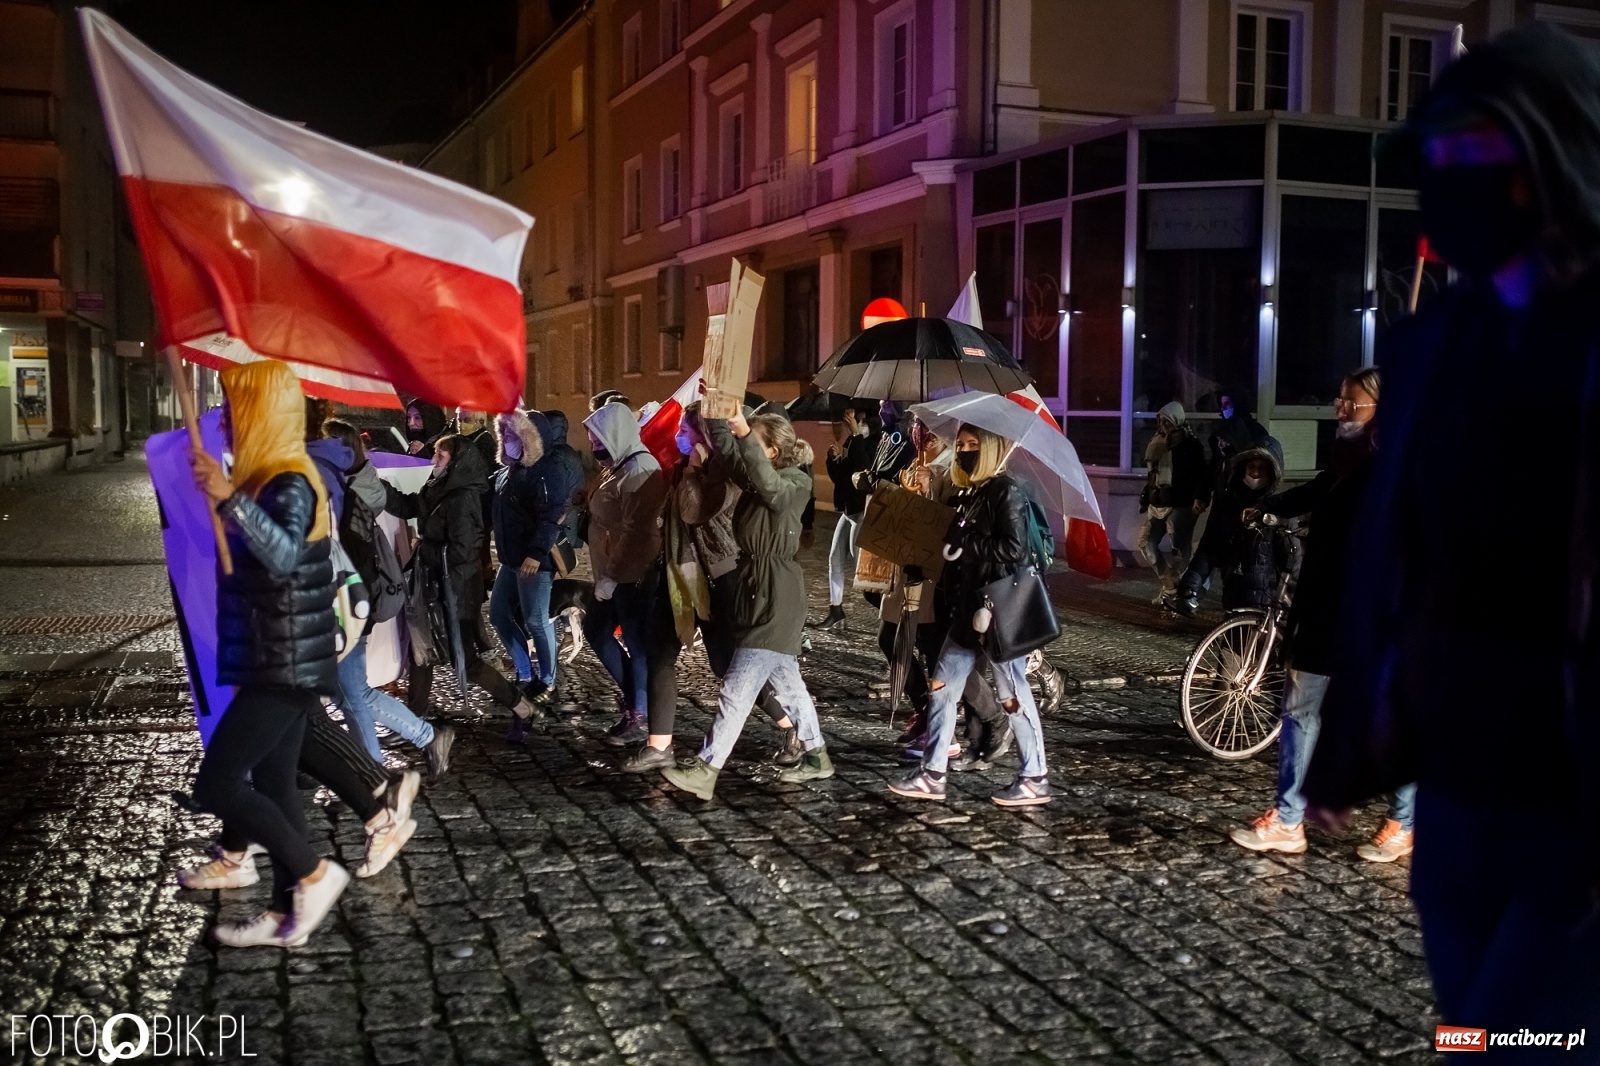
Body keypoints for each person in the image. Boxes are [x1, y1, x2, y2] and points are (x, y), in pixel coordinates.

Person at [1308, 26, 1600, 1037]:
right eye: (1434, 160)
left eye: (1469, 154)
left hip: (1574, 803)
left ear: (1544, 162)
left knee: (1528, 1039)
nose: (1444, 182)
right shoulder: (1434, 346)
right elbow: (1398, 553)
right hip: (1463, 787)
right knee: (1469, 1031)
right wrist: (1350, 750)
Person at [181, 361, 350, 948]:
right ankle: (286, 915)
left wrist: (230, 500)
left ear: (264, 414)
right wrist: (224, 497)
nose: (226, 422)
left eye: (234, 411)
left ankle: (314, 874)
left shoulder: (292, 480)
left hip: (285, 664)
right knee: (277, 788)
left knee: (217, 784)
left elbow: (280, 556)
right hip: (272, 655)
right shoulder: (263, 479)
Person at [1227, 369, 1416, 861]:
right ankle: (1288, 820)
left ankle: (1404, 820)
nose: (1341, 410)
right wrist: (1268, 506)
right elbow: (1317, 491)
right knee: (1299, 709)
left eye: (1353, 404)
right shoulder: (1345, 461)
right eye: (1340, 401)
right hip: (1325, 606)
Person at [661, 411, 833, 799]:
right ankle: (817, 755)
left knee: (737, 688)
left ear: (772, 451)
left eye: (754, 442)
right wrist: (718, 417)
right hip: (759, 590)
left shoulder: (796, 483)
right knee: (789, 684)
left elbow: (771, 487)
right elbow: (728, 457)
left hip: (778, 595)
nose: (747, 448)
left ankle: (707, 768)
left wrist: (742, 431)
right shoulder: (757, 479)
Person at [626, 404, 800, 772]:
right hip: (681, 574)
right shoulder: (689, 470)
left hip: (722, 577)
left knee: (728, 665)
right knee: (659, 651)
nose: (677, 439)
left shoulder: (728, 475)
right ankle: (659, 745)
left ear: (702, 437)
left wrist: (698, 462)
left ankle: (792, 726)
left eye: (684, 432)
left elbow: (695, 510)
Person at [889, 425, 1053, 808]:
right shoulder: (975, 493)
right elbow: (956, 550)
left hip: (996, 613)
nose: (963, 451)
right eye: (960, 445)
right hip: (968, 613)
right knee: (943, 689)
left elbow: (1013, 549)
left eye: (972, 445)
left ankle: (1035, 776)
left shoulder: (1005, 491)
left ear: (992, 449)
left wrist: (968, 544)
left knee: (1012, 695)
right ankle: (932, 774)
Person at [319, 417, 456, 780]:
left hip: (345, 611)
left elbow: (351, 564)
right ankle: (375, 767)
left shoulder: (348, 501)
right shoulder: (343, 493)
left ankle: (385, 765)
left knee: (352, 694)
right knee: (347, 694)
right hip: (342, 610)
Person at [385, 435, 542, 735]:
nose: (433, 461)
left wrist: (422, 547)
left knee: (464, 660)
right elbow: (407, 506)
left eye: (440, 456)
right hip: (436, 587)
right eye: (434, 454)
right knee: (422, 652)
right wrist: (370, 481)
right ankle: (413, 720)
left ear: (456, 462)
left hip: (455, 591)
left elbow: (462, 552)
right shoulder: (439, 489)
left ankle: (521, 705)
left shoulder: (462, 499)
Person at [581, 401, 668, 744]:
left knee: (637, 644)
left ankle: (640, 714)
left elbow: (638, 532)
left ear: (615, 434)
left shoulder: (640, 469)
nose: (593, 445)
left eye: (597, 437)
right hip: (613, 573)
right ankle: (635, 699)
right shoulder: (618, 466)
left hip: (633, 575)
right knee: (597, 630)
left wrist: (613, 575)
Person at [489, 409, 581, 707]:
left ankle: (548, 680)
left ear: (531, 439)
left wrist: (536, 553)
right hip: (511, 557)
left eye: (514, 435)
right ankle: (525, 672)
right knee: (499, 614)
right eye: (505, 435)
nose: (508, 440)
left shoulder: (546, 469)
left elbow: (550, 515)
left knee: (537, 621)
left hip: (533, 560)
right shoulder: (509, 471)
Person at [1169, 436, 1296, 616]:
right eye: (1251, 467)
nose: (1255, 473)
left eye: (1262, 468)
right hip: (1232, 594)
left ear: (1272, 471)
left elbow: (1290, 558)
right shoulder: (1231, 503)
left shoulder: (1279, 507)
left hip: (1264, 601)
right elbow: (1211, 546)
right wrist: (1191, 585)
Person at [812, 403, 875, 632]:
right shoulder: (852, 441)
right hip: (848, 510)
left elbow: (862, 468)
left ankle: (887, 613)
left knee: (862, 569)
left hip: (862, 511)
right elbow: (843, 478)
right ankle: (836, 611)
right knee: (834, 559)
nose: (847, 420)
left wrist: (857, 434)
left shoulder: (870, 440)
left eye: (852, 416)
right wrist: (834, 459)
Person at [1138, 402, 1207, 599]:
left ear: (1176, 420)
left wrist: (1199, 498)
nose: (1163, 424)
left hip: (1180, 504)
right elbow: (1153, 473)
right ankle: (1169, 583)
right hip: (1156, 503)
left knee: (1180, 552)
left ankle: (1182, 593)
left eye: (1167, 420)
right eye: (1160, 419)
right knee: (1145, 542)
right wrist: (1146, 495)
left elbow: (1200, 474)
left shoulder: (1190, 444)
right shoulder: (1156, 441)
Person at [1197, 390, 1267, 514]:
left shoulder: (1255, 431)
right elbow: (1215, 464)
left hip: (1243, 500)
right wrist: (1203, 494)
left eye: (1228, 404)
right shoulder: (1223, 429)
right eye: (1222, 404)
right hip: (1222, 498)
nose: (1223, 408)